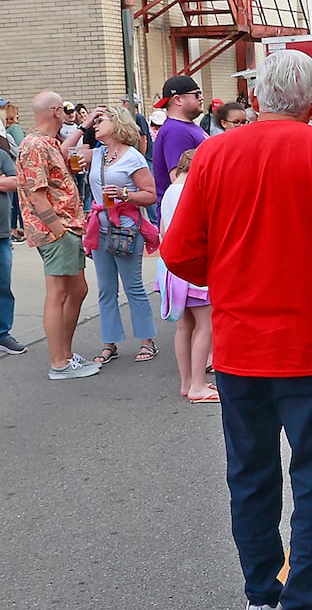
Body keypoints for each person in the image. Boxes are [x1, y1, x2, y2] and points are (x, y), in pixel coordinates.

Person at [162, 50, 312, 610]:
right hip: (310, 348)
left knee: (250, 476)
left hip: (239, 348)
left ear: (256, 98)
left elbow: (179, 253)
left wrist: (231, 278)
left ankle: (263, 599)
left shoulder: (213, 152)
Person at [65, 105, 160, 365]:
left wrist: (125, 194)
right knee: (106, 289)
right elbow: (65, 152)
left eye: (101, 120)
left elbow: (150, 194)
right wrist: (84, 125)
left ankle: (146, 340)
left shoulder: (133, 157)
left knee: (133, 286)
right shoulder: (97, 154)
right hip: (100, 227)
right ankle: (110, 343)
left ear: (117, 124)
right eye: (95, 121)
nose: (96, 124)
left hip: (127, 227)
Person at [17, 92, 97, 379]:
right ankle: (59, 362)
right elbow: (37, 197)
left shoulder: (47, 143)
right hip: (56, 230)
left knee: (77, 290)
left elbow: (63, 154)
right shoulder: (35, 145)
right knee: (59, 293)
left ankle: (64, 354)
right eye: (64, 108)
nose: (67, 112)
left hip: (66, 226)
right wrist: (59, 230)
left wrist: (84, 126)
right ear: (54, 111)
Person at [157, 149, 216, 402]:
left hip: (171, 269)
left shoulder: (170, 192)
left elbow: (162, 232)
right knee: (206, 326)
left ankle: (187, 382)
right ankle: (199, 384)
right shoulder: (191, 192)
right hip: (193, 268)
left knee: (184, 326)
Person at [151, 74, 207, 200]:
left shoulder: (184, 127)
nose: (201, 98)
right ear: (178, 100)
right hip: (183, 211)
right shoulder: (176, 131)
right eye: (197, 94)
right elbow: (179, 180)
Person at [0, 127, 23, 355]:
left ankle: (2, 334)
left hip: (2, 233)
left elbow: (16, 181)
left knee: (3, 285)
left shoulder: (2, 155)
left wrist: (3, 181)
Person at [5, 101, 25, 241]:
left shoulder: (7, 130)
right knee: (17, 202)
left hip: (10, 169)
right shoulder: (14, 129)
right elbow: (20, 149)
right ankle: (17, 229)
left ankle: (13, 229)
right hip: (14, 169)